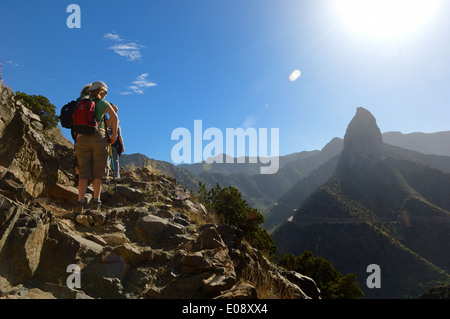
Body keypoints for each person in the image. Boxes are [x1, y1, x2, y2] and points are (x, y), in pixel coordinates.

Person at [75, 81, 118, 212]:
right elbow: (115, 117)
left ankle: (80, 203)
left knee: (83, 172)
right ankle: (96, 203)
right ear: (102, 91)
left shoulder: (81, 101)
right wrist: (113, 135)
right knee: (98, 172)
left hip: (81, 137)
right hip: (99, 136)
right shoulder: (103, 103)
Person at [72, 84, 92, 184]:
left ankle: (77, 176)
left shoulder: (78, 100)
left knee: (78, 152)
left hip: (76, 129)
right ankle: (86, 179)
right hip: (89, 129)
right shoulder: (92, 100)